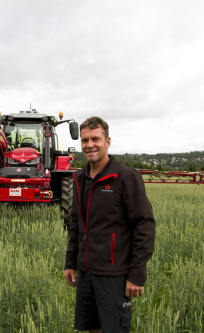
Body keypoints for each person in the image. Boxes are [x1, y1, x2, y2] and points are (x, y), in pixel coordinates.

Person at [64, 117, 155, 333]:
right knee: (93, 328)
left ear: (108, 142)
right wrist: (70, 262)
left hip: (114, 275)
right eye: (85, 140)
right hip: (86, 272)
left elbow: (145, 226)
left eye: (96, 139)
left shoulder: (125, 177)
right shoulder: (80, 178)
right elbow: (76, 224)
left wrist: (136, 274)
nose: (90, 144)